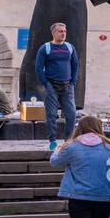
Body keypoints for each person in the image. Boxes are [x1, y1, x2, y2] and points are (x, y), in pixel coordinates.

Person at [35, 21, 79, 151]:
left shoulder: (70, 47)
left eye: (65, 31)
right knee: (51, 115)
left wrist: (73, 82)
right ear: (54, 33)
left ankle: (68, 140)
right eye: (60, 31)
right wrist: (46, 84)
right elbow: (38, 68)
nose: (63, 33)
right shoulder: (45, 48)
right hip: (51, 86)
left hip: (67, 85)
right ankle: (52, 140)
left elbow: (75, 65)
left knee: (71, 114)